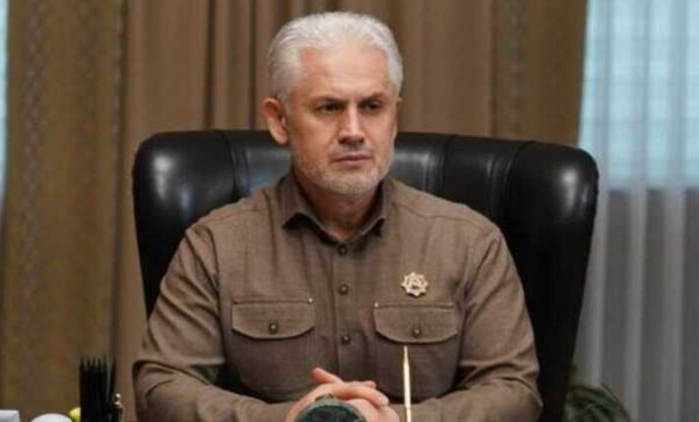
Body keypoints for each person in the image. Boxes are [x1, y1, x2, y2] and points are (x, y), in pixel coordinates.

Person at [134, 11, 541, 422]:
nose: (353, 131)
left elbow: (513, 390)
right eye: (329, 107)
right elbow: (161, 386)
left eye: (372, 106)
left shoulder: (469, 242)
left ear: (394, 116)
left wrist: (399, 421)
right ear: (279, 121)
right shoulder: (216, 245)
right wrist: (288, 420)